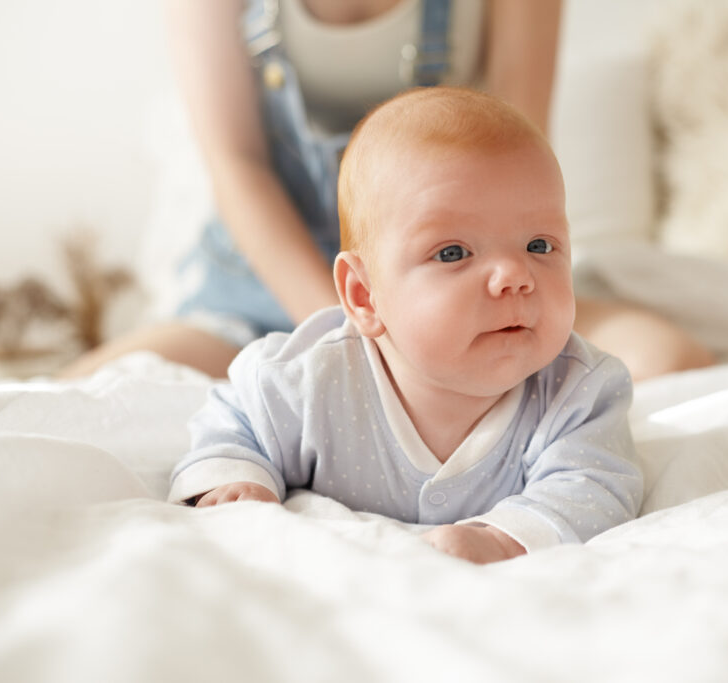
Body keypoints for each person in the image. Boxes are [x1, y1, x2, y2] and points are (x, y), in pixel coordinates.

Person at [58, 0, 712, 382]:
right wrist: (354, 333)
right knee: (75, 398)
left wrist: (437, 323)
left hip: (458, 277)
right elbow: (238, 165)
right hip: (260, 291)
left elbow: (520, 152)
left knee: (667, 357)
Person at [169, 87, 645, 564]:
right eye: (454, 253)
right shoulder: (312, 379)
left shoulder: (578, 392)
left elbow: (593, 487)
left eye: (539, 246)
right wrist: (238, 478)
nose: (515, 277)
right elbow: (236, 417)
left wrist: (501, 539)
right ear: (363, 295)